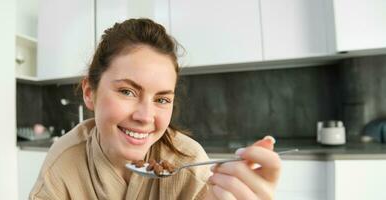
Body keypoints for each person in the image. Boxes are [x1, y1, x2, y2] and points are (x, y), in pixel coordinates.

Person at [30, 18, 281, 200]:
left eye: (161, 99)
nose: (145, 117)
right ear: (89, 92)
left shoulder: (189, 164)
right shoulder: (64, 162)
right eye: (127, 92)